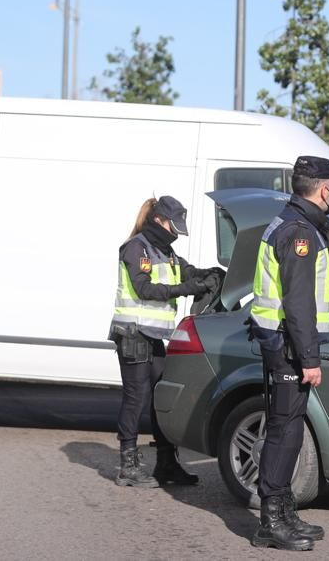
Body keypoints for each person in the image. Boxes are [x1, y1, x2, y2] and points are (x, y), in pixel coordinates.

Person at [248, 156, 329, 551]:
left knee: (290, 428)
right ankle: (271, 521)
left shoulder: (290, 223)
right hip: (288, 346)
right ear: (326, 189)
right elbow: (299, 303)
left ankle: (283, 511)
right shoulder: (299, 232)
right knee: (284, 432)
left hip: (283, 343)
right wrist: (310, 358)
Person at [108, 195, 221, 488]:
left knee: (160, 399)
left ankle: (167, 463)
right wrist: (185, 289)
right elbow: (144, 289)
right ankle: (128, 466)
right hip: (132, 334)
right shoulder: (137, 248)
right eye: (174, 225)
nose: (176, 232)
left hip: (154, 335)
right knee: (136, 399)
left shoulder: (165, 251)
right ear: (159, 220)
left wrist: (211, 275)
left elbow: (188, 272)